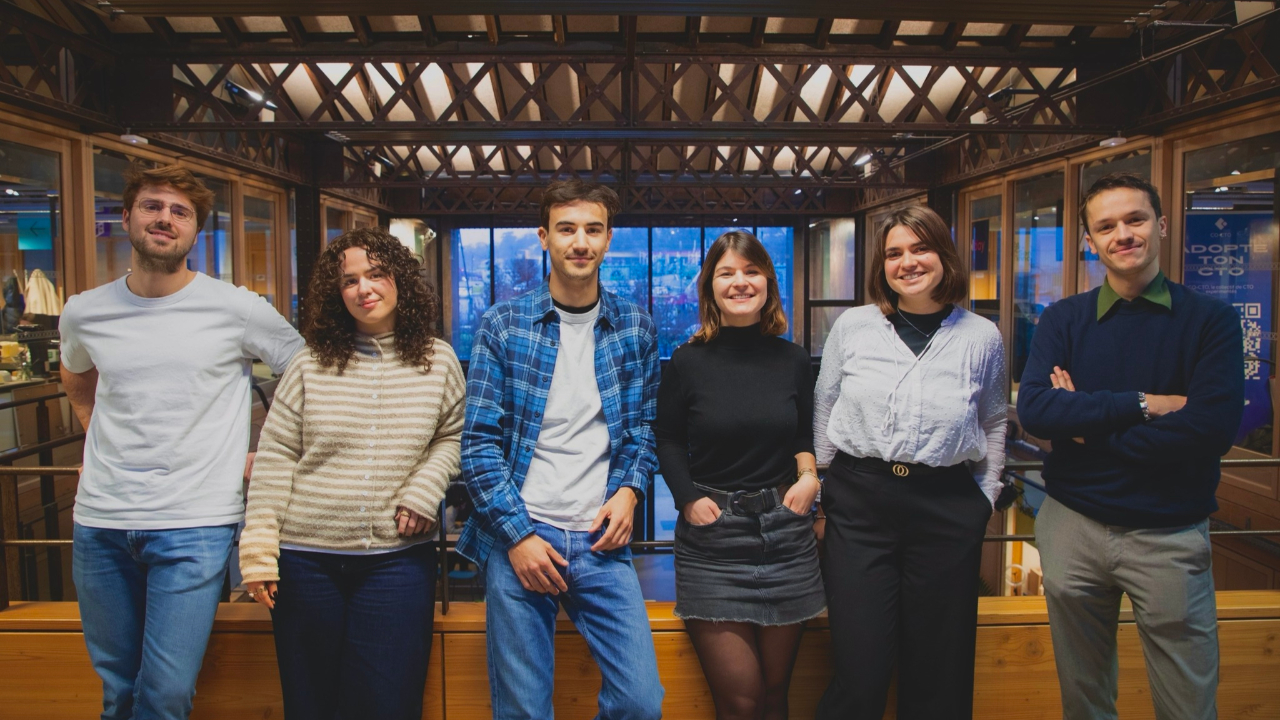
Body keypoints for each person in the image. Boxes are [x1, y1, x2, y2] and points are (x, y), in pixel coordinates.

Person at [59, 164, 304, 720]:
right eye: (152, 206)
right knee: (118, 690)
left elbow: (305, 372)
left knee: (166, 692)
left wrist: (269, 449)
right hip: (100, 522)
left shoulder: (236, 307)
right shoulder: (84, 311)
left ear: (195, 231)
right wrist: (93, 434)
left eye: (180, 212)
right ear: (127, 217)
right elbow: (75, 371)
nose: (164, 219)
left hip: (196, 523)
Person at [1017, 172, 1244, 720]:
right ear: (1089, 242)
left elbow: (1210, 430)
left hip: (1169, 532)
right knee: (1084, 699)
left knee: (1188, 703)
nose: (1123, 234)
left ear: (1161, 225)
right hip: (1072, 525)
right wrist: (1147, 404)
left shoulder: (1211, 322)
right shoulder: (1064, 318)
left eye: (1135, 219)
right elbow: (1037, 411)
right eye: (1106, 226)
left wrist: (1084, 424)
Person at [238, 228, 464, 719]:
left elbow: (453, 436)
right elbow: (276, 454)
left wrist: (425, 489)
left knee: (389, 703)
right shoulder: (309, 363)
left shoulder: (439, 360)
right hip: (305, 560)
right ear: (335, 293)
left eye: (376, 274)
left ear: (400, 279)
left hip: (396, 561)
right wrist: (258, 549)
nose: (364, 288)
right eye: (349, 280)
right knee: (311, 704)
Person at [459, 179, 664, 720]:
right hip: (524, 534)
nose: (580, 242)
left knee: (640, 702)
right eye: (567, 229)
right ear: (543, 237)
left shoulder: (635, 326)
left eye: (593, 229)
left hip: (600, 540)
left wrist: (629, 491)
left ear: (608, 238)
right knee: (524, 711)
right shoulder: (504, 324)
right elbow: (477, 445)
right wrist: (518, 537)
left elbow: (644, 429)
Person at [813, 205, 1007, 720]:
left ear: (944, 255)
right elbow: (825, 408)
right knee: (860, 671)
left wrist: (983, 500)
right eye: (894, 253)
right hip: (859, 503)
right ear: (882, 265)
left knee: (940, 673)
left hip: (946, 506)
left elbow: (993, 421)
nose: (908, 262)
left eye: (920, 248)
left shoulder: (981, 336)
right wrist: (823, 498)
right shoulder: (854, 326)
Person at [655, 231, 824, 720]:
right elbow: (667, 439)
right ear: (710, 286)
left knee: (774, 697)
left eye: (751, 271)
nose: (740, 282)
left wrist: (809, 477)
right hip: (714, 544)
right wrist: (687, 498)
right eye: (726, 273)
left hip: (786, 537)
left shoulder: (793, 360)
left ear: (768, 282)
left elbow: (803, 433)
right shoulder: (687, 361)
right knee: (742, 701)